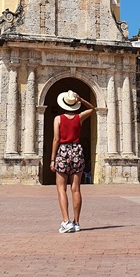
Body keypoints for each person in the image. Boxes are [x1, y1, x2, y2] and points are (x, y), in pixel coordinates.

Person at [50, 90, 95, 234]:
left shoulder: (58, 119)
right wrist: (81, 98)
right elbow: (92, 109)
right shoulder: (79, 118)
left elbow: (56, 139)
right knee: (76, 188)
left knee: (61, 188)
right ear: (75, 104)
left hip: (63, 151)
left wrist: (52, 159)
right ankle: (76, 222)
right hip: (77, 150)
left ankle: (66, 221)